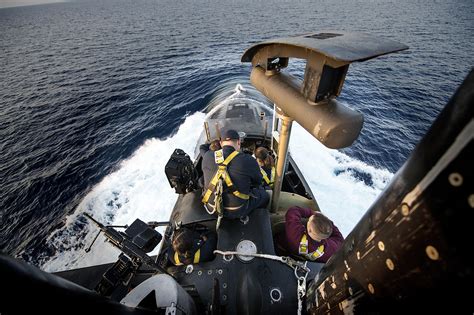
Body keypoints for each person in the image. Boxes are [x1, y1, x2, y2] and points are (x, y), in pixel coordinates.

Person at [201, 128, 269, 219]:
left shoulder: (207, 156)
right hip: (237, 210)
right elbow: (258, 182)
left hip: (212, 208)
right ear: (239, 143)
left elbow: (202, 147)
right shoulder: (249, 160)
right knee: (264, 195)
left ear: (221, 143)